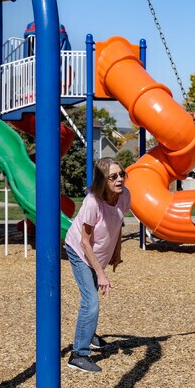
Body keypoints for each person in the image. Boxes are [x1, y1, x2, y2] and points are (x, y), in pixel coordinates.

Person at [64, 157, 131, 372]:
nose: (120, 179)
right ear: (103, 180)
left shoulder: (124, 196)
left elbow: (118, 224)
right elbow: (84, 242)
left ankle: (89, 333)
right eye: (114, 176)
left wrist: (117, 252)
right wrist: (101, 274)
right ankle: (78, 354)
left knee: (91, 301)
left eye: (122, 174)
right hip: (79, 251)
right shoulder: (92, 202)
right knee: (91, 300)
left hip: (99, 253)